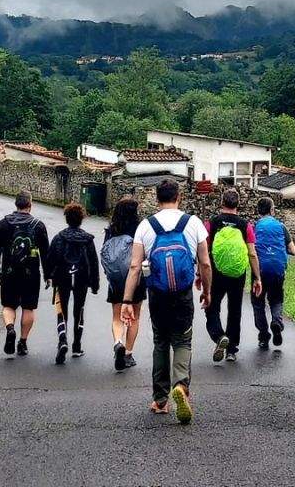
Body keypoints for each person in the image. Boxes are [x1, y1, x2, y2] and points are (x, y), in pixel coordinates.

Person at [122, 179, 211, 425]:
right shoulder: (192, 223)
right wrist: (206, 290)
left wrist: (127, 299)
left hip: (157, 293)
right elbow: (204, 263)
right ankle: (181, 385)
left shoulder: (146, 226)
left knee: (160, 341)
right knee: (183, 339)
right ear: (179, 196)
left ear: (156, 198)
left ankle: (160, 400)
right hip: (182, 293)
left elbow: (134, 266)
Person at [204, 189, 262, 363]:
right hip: (238, 274)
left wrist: (201, 273)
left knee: (211, 307)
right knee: (235, 309)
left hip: (216, 272)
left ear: (221, 202)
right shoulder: (246, 226)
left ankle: (219, 335)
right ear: (238, 204)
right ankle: (231, 350)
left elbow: (204, 251)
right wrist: (257, 278)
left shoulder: (212, 223)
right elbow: (252, 253)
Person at [0, 191, 51, 357]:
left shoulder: (3, 224)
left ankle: (10, 328)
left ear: (16, 204)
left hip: (9, 272)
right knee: (28, 307)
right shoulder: (38, 225)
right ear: (30, 205)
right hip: (30, 273)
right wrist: (48, 274)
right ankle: (23, 342)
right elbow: (45, 253)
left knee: (8, 305)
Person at [45, 203, 99, 364]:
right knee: (79, 310)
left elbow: (50, 259)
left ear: (67, 218)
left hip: (62, 278)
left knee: (62, 310)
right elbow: (94, 263)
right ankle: (77, 346)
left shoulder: (59, 238)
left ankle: (62, 340)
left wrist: (48, 276)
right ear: (81, 219)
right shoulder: (88, 240)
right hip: (81, 278)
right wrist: (94, 285)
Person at [101, 196, 144, 372]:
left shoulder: (111, 230)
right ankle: (128, 353)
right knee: (134, 316)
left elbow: (105, 254)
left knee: (117, 316)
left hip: (116, 279)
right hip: (136, 279)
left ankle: (118, 342)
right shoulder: (140, 229)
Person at [251, 197, 295, 349]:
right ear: (271, 210)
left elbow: (250, 250)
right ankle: (276, 322)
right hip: (277, 269)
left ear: (259, 211)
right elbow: (293, 250)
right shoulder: (281, 226)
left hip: (259, 270)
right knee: (276, 299)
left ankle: (264, 336)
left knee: (258, 303)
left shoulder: (254, 226)